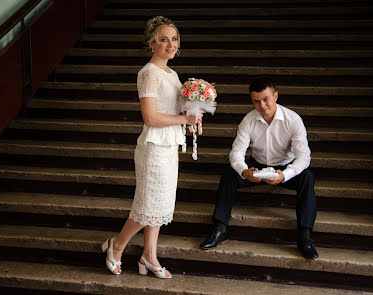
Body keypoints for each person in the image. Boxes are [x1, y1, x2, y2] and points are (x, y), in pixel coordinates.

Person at [102, 16, 200, 278]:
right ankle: (117, 244)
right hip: (153, 147)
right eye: (164, 39)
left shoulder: (172, 74)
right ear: (151, 43)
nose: (171, 44)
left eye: (174, 39)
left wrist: (193, 113)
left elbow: (174, 108)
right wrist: (184, 119)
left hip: (169, 145)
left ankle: (149, 255)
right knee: (148, 203)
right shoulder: (148, 73)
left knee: (161, 204)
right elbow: (151, 117)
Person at [200, 77, 318, 259]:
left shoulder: (293, 119)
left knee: (307, 177)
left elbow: (304, 157)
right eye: (256, 101)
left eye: (266, 99)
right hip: (257, 166)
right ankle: (220, 228)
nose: (262, 105)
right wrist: (244, 171)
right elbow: (236, 153)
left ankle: (305, 236)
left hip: (284, 167)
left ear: (275, 96)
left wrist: (285, 175)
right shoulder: (249, 120)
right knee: (229, 174)